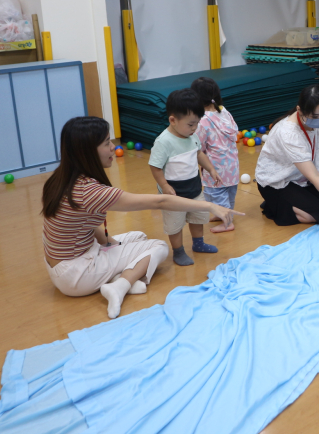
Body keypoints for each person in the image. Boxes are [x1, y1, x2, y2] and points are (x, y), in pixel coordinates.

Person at [42, 116, 239, 319]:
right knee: (159, 247)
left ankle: (120, 274)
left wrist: (113, 246)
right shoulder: (88, 191)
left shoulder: (62, 178)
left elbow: (85, 226)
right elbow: (160, 202)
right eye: (106, 143)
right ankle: (119, 286)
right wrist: (209, 205)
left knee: (139, 236)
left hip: (66, 263)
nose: (112, 147)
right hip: (76, 274)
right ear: (87, 152)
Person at [256, 84, 319, 226]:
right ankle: (273, 204)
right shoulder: (288, 133)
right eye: (315, 116)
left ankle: (292, 199)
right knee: (317, 213)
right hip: (278, 182)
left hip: (301, 177)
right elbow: (314, 177)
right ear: (299, 110)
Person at [149, 89, 224, 266]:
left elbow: (199, 154)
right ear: (173, 120)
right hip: (173, 195)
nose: (194, 128)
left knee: (198, 218)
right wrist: (164, 185)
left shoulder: (192, 136)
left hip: (195, 189)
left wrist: (211, 169)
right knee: (175, 225)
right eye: (190, 125)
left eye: (196, 124)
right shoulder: (164, 141)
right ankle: (179, 251)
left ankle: (198, 244)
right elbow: (155, 166)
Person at [192, 77, 240, 233]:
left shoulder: (203, 120)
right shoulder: (224, 111)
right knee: (229, 192)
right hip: (232, 164)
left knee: (215, 193)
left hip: (216, 165)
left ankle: (227, 222)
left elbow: (200, 144)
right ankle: (225, 215)